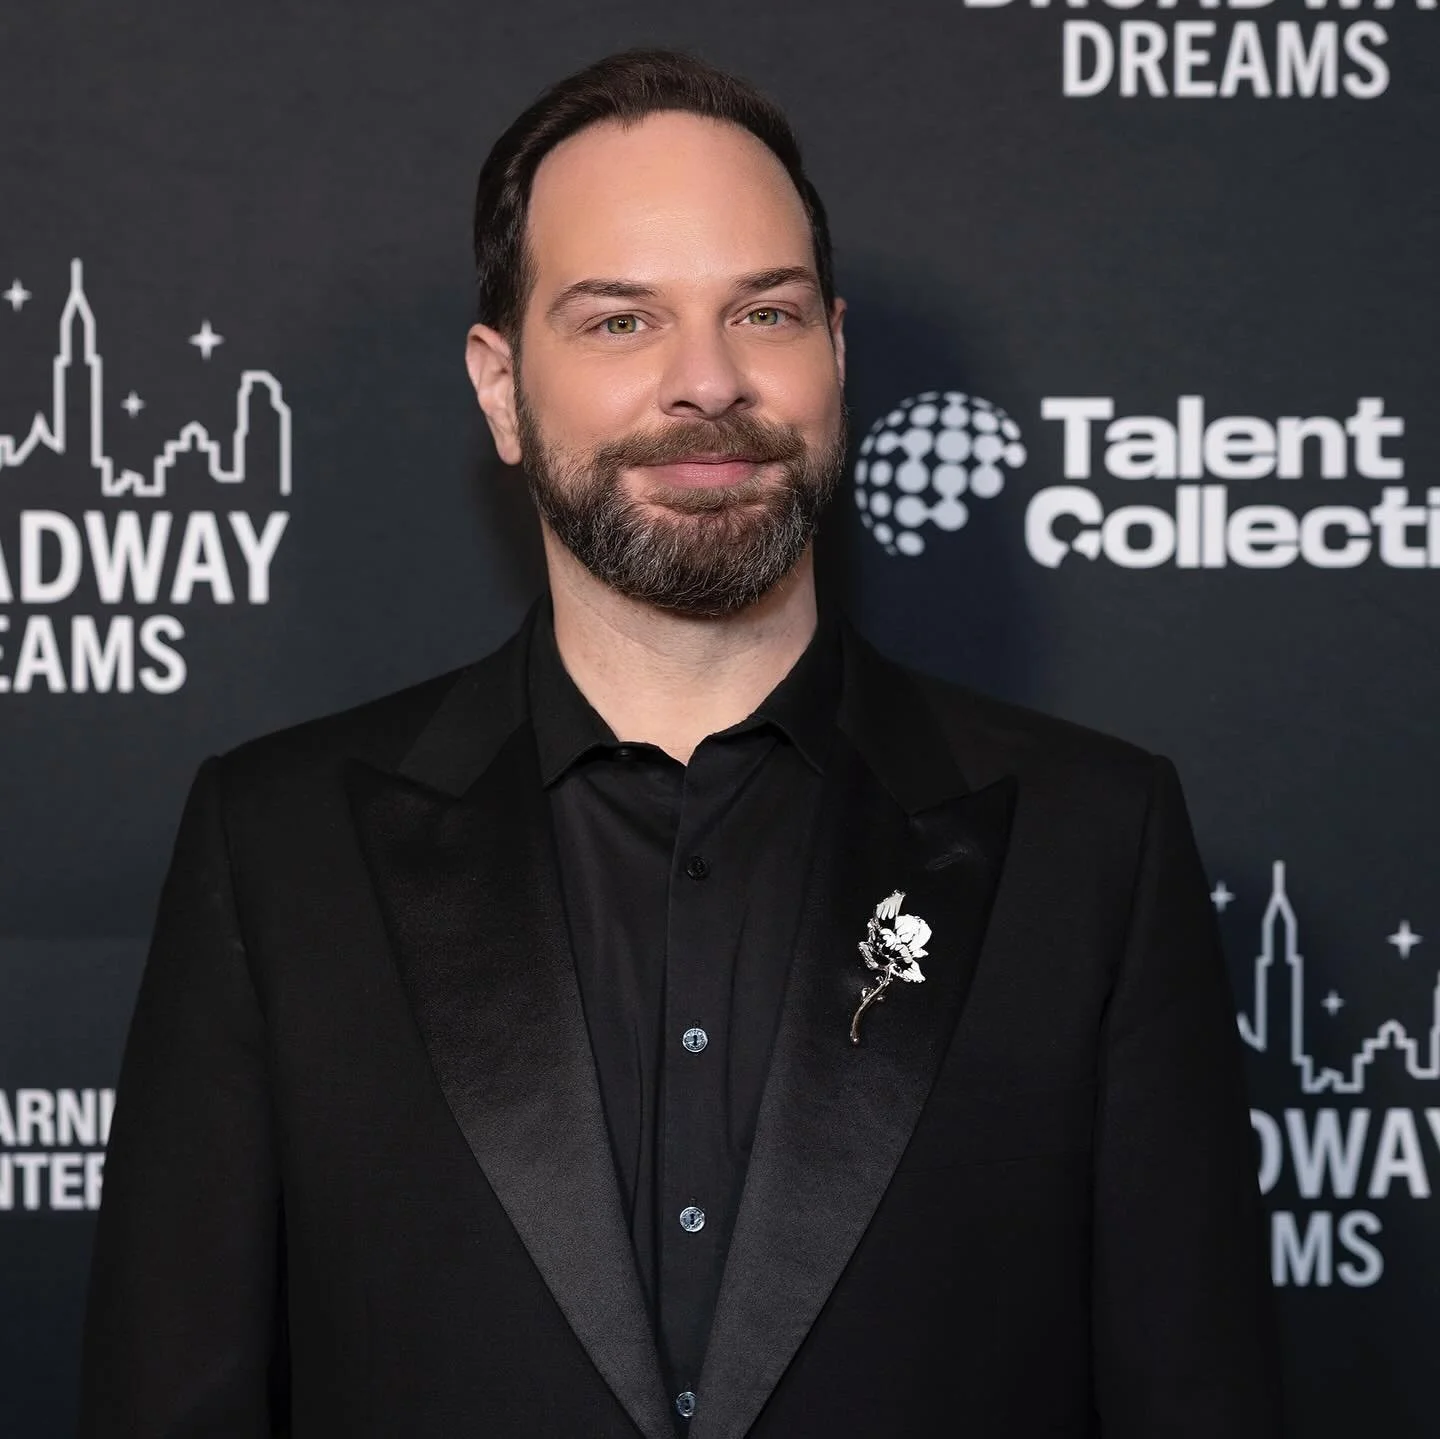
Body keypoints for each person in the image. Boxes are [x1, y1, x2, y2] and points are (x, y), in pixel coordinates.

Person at [78, 47, 1282, 1439]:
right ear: (499, 386)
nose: (707, 382)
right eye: (618, 323)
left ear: (834, 350)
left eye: (760, 312)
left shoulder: (1096, 843)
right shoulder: (277, 851)